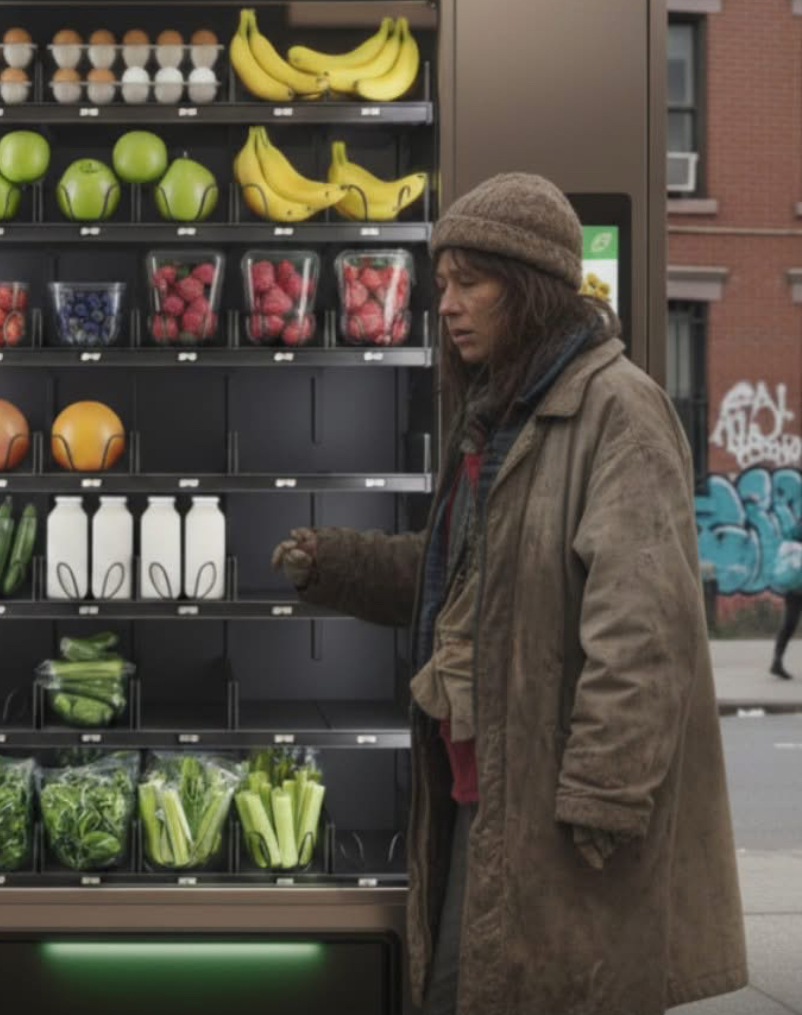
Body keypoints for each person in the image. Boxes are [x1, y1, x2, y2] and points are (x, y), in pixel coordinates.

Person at [271, 173, 746, 1014]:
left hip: (557, 819)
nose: (446, 304)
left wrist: (604, 795)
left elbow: (645, 629)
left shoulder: (616, 411)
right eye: (442, 282)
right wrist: (334, 563)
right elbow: (463, 574)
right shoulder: (502, 413)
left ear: (529, 290)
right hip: (487, 792)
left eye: (471, 282)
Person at [772, 519, 802, 679]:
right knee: (789, 624)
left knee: (789, 624)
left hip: (795, 586)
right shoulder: (796, 530)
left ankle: (776, 661)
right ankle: (776, 661)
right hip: (796, 585)